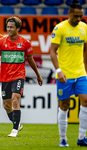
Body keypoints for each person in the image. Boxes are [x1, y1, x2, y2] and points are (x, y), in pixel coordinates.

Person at [0, 16, 43, 137]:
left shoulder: (25, 42)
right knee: (7, 105)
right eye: (8, 27)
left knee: (15, 100)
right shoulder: (1, 42)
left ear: (18, 28)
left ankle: (14, 130)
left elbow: (31, 61)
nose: (9, 29)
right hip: (5, 77)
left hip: (18, 75)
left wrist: (38, 75)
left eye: (11, 27)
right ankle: (17, 123)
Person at [50, 0, 87, 147]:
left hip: (80, 73)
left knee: (85, 101)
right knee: (64, 105)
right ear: (69, 14)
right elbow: (52, 51)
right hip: (64, 75)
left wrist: (86, 69)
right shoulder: (60, 29)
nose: (78, 19)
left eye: (81, 16)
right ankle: (63, 139)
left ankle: (82, 137)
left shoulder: (84, 28)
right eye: (76, 16)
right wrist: (58, 71)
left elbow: (85, 50)